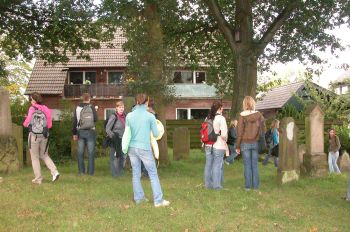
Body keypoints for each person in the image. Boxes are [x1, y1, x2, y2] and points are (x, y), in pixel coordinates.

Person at [126, 93, 170, 207]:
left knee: (136, 173)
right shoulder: (150, 116)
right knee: (153, 174)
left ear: (136, 102)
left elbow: (127, 133)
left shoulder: (129, 116)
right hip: (144, 148)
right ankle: (158, 201)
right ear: (146, 102)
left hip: (132, 148)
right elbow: (156, 134)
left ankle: (139, 199)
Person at [23, 92, 60, 184]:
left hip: (34, 136)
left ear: (34, 100)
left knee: (35, 157)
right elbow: (49, 125)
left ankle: (38, 179)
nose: (30, 101)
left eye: (31, 99)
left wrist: (25, 124)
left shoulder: (32, 108)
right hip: (44, 135)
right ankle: (55, 172)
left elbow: (27, 121)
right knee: (44, 155)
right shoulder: (46, 109)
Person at [236, 96, 265, 191]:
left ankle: (248, 187)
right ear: (253, 103)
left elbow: (239, 132)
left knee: (247, 165)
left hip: (245, 143)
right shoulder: (259, 115)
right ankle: (256, 187)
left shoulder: (241, 116)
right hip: (256, 142)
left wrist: (237, 146)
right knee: (255, 165)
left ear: (244, 104)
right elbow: (263, 130)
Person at [204, 101, 228, 190]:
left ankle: (207, 185)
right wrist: (225, 139)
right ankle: (216, 186)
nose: (223, 109)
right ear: (220, 108)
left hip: (207, 144)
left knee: (208, 165)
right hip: (218, 144)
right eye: (222, 108)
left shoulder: (207, 118)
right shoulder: (221, 118)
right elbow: (224, 134)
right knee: (217, 165)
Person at [72, 93, 98, 175]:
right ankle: (90, 172)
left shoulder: (77, 108)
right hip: (90, 131)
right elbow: (96, 119)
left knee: (80, 152)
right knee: (91, 153)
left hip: (80, 131)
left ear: (82, 99)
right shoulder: (92, 107)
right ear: (89, 99)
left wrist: (74, 133)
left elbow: (75, 121)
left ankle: (81, 172)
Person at [105, 101, 126, 177]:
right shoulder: (113, 116)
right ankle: (115, 174)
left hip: (123, 140)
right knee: (113, 157)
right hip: (115, 140)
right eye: (120, 107)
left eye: (122, 107)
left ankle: (119, 173)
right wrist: (113, 137)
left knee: (122, 157)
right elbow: (107, 129)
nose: (121, 109)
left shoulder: (125, 116)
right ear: (116, 108)